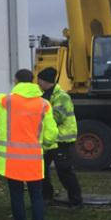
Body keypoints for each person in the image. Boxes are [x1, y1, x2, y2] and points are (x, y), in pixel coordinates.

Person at [0, 69, 58, 220]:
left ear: (16, 81)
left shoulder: (7, 101)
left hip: (12, 162)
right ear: (33, 82)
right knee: (37, 198)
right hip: (35, 161)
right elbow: (52, 134)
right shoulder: (44, 104)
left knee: (17, 197)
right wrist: (43, 145)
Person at [37, 67, 84, 209]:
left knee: (64, 171)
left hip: (61, 140)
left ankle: (76, 201)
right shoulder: (43, 95)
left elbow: (57, 117)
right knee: (41, 170)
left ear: (46, 80)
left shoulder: (62, 97)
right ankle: (46, 197)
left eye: (39, 79)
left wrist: (36, 117)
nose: (37, 82)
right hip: (48, 140)